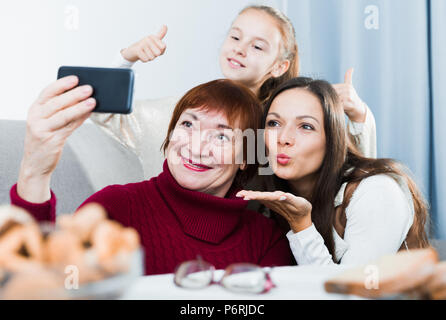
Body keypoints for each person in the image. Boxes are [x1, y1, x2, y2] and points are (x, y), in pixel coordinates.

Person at [10, 77, 294, 275]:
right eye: (187, 124)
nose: (195, 146)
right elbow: (44, 281)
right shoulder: (117, 206)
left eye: (221, 135)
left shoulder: (266, 238)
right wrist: (35, 172)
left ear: (246, 157)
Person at [90, 5, 377, 183]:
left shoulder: (276, 128)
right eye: (236, 37)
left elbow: (342, 182)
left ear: (279, 66)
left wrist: (359, 117)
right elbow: (104, 114)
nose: (240, 49)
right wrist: (128, 58)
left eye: (257, 46)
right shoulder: (188, 110)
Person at [236, 77, 430, 266]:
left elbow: (351, 293)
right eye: (274, 123)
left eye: (306, 126)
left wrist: (302, 227)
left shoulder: (377, 192)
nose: (283, 138)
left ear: (332, 139)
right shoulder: (269, 192)